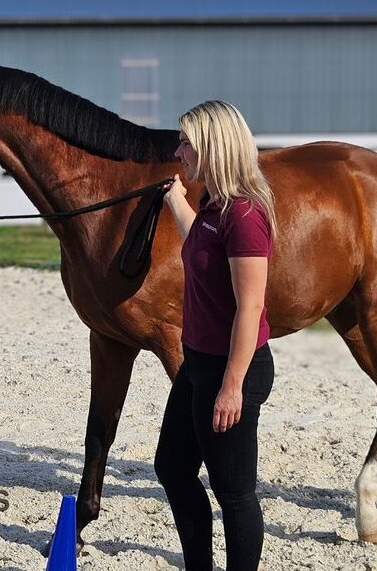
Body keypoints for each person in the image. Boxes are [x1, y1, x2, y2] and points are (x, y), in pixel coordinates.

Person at [155, 100, 277, 571]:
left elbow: (251, 307)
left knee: (235, 493)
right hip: (198, 363)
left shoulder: (244, 215)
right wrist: (177, 203)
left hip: (233, 370)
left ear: (212, 145)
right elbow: (199, 249)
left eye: (187, 141)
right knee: (172, 468)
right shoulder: (211, 205)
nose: (179, 149)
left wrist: (232, 386)